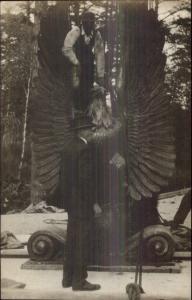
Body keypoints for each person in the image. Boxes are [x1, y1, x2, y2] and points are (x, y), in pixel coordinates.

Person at [61, 11, 105, 291]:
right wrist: (95, 204)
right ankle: (79, 281)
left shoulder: (69, 147)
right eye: (89, 128)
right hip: (82, 205)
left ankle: (67, 278)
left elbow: (67, 180)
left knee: (71, 238)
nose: (91, 131)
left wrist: (98, 76)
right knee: (82, 240)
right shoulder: (85, 149)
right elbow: (86, 180)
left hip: (70, 205)